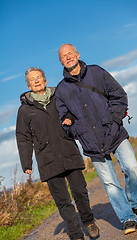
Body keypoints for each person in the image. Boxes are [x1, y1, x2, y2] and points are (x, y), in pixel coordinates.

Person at [55, 43, 137, 235]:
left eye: (70, 53)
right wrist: (73, 127)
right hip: (91, 142)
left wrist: (114, 119)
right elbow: (64, 118)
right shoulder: (61, 90)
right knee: (110, 183)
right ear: (60, 61)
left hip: (114, 132)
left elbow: (119, 95)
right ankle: (127, 218)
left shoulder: (97, 72)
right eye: (63, 56)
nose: (68, 57)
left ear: (77, 54)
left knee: (131, 168)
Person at [16, 67, 99, 240]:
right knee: (63, 201)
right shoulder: (24, 111)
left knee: (80, 191)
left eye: (39, 77)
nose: (36, 81)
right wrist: (27, 164)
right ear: (28, 85)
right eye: (32, 79)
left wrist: (69, 118)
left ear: (45, 80)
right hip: (47, 159)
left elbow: (73, 110)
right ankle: (76, 234)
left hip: (68, 150)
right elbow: (23, 137)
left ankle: (89, 221)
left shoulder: (59, 95)